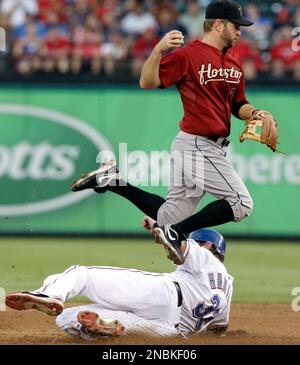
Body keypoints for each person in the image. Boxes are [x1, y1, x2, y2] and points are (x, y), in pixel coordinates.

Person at [71, 0, 271, 264]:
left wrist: (255, 113)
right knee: (240, 203)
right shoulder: (188, 55)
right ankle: (176, 233)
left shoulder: (234, 59)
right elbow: (147, 81)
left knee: (167, 216)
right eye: (236, 25)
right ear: (218, 24)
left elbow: (239, 104)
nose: (240, 31)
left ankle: (111, 180)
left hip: (206, 146)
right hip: (198, 144)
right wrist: (158, 50)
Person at [5, 225, 233, 340]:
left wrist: (161, 227)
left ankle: (51, 295)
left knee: (83, 274)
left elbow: (179, 247)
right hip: (167, 332)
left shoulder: (203, 255)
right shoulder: (227, 289)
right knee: (67, 318)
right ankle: (102, 325)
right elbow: (219, 329)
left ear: (209, 246)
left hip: (162, 295)